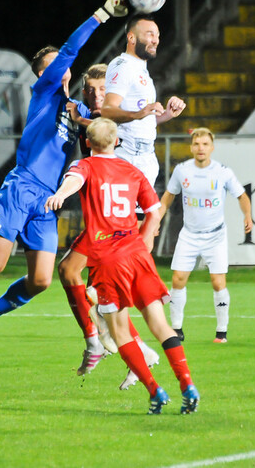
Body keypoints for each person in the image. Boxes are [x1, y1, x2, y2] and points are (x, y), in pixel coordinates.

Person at [0, 0, 128, 375]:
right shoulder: (45, 93)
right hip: (22, 187)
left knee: (41, 280)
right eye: (54, 64)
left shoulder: (76, 109)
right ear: (44, 73)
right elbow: (73, 49)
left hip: (47, 202)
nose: (62, 68)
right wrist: (102, 15)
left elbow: (106, 127)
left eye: (63, 65)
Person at [45, 117, 199, 415]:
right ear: (117, 141)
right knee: (160, 324)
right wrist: (144, 245)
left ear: (87, 143)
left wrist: (61, 194)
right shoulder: (133, 171)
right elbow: (154, 212)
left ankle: (155, 391)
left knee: (120, 332)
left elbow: (74, 180)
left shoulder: (85, 166)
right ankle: (187, 385)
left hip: (108, 258)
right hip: (137, 253)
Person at [59, 64, 161, 385]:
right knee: (93, 288)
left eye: (102, 90)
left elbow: (106, 127)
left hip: (109, 222)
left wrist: (80, 119)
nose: (95, 96)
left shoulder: (111, 122)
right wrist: (65, 92)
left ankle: (104, 342)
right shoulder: (91, 114)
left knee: (73, 274)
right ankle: (132, 351)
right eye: (89, 90)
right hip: (106, 218)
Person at [159, 128, 253, 343]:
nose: (200, 148)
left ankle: (221, 332)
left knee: (218, 282)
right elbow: (167, 197)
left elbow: (242, 195)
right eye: (197, 144)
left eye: (205, 144)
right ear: (191, 147)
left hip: (215, 235)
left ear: (212, 147)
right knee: (178, 279)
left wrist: (247, 214)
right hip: (189, 234)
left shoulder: (222, 172)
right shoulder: (182, 171)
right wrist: (156, 219)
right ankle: (176, 330)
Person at [100, 12, 186, 191]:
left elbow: (143, 120)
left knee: (146, 219)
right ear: (131, 37)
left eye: (157, 35)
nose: (155, 40)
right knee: (135, 218)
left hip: (146, 157)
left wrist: (168, 114)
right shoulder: (123, 65)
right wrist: (137, 114)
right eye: (149, 34)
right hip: (128, 156)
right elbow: (107, 110)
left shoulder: (142, 70)